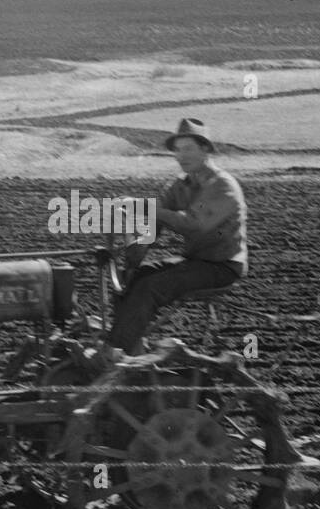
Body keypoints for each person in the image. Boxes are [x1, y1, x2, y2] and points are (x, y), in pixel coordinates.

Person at [104, 118, 247, 356]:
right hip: (196, 261)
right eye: (177, 150)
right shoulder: (180, 186)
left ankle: (114, 353)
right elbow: (156, 219)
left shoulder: (222, 185)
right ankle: (131, 348)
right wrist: (133, 259)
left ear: (205, 150)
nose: (182, 156)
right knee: (132, 281)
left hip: (222, 266)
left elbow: (194, 225)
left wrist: (143, 207)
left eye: (188, 148)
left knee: (150, 287)